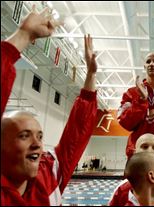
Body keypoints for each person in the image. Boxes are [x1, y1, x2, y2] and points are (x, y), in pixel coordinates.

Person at [1, 6, 98, 205]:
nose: (37, 144)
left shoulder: (49, 173)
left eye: (40, 136)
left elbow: (77, 131)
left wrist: (90, 75)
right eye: (24, 135)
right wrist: (23, 35)